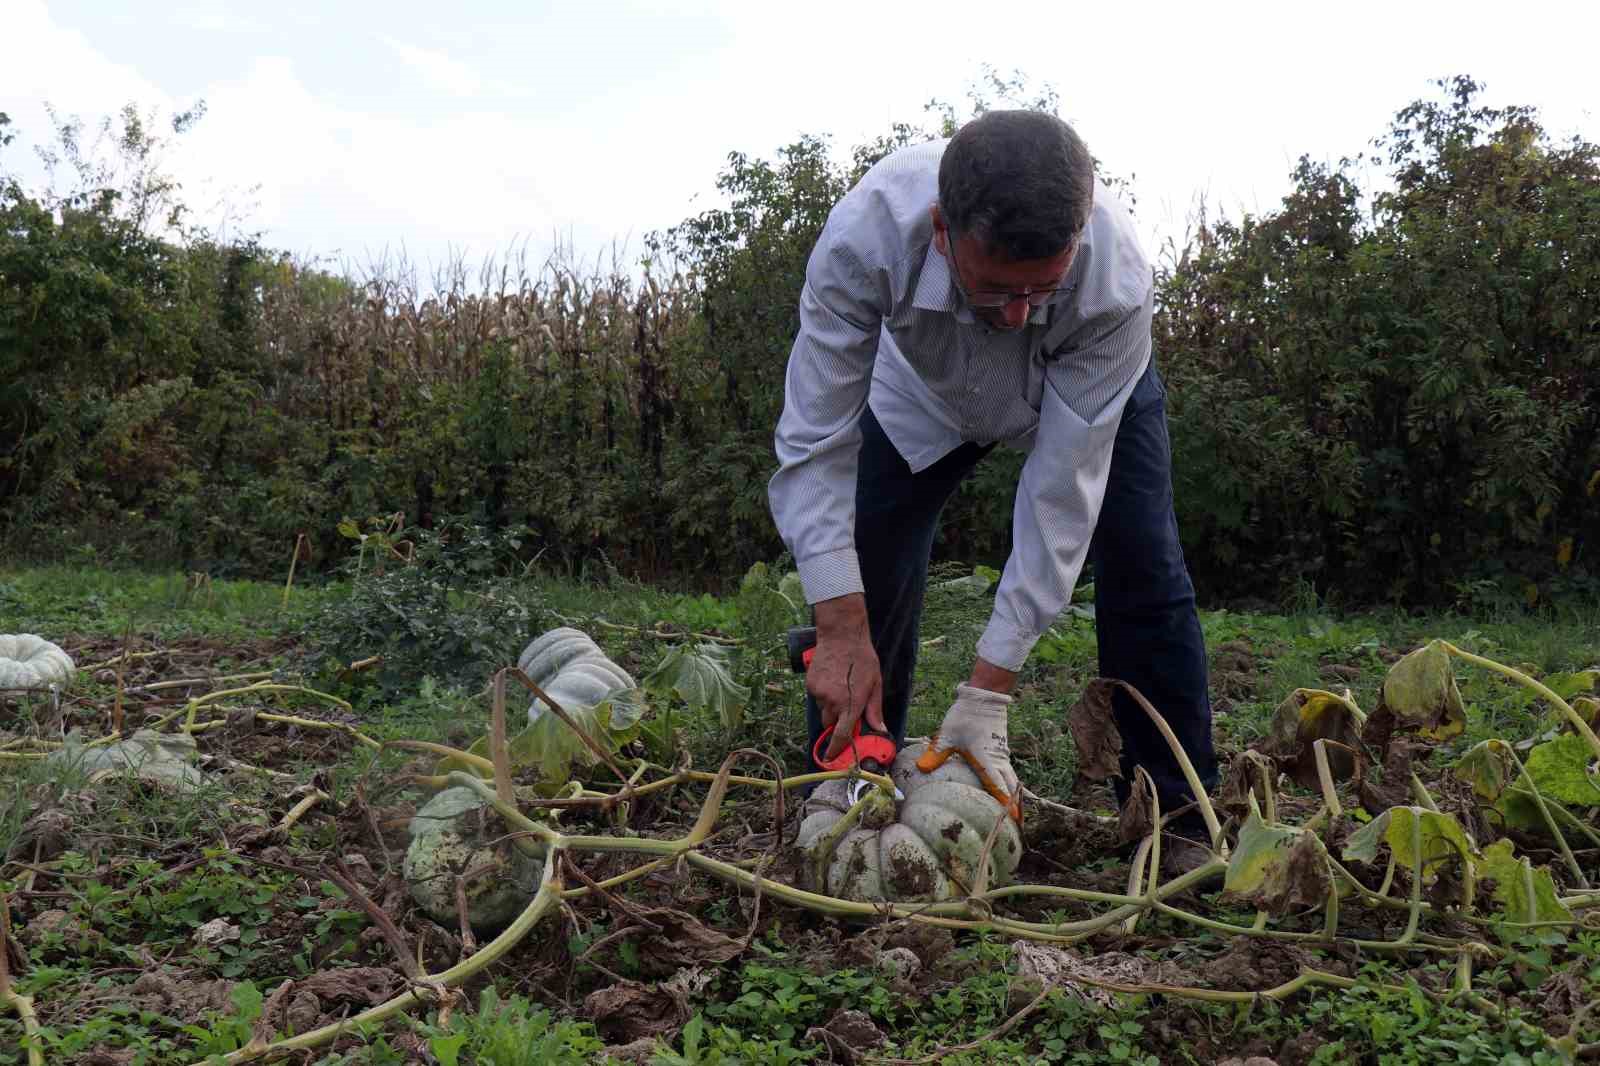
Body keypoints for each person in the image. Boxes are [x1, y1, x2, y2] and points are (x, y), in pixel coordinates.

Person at [767, 110, 1217, 843]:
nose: (1014, 316)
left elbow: (1059, 496)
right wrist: (838, 622)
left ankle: (1175, 815)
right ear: (942, 231)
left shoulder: (1116, 282)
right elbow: (815, 439)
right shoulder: (866, 237)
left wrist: (989, 689)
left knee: (1143, 565)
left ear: (1077, 241)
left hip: (1082, 390)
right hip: (920, 390)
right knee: (865, 569)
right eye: (994, 288)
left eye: (1041, 291)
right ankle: (851, 777)